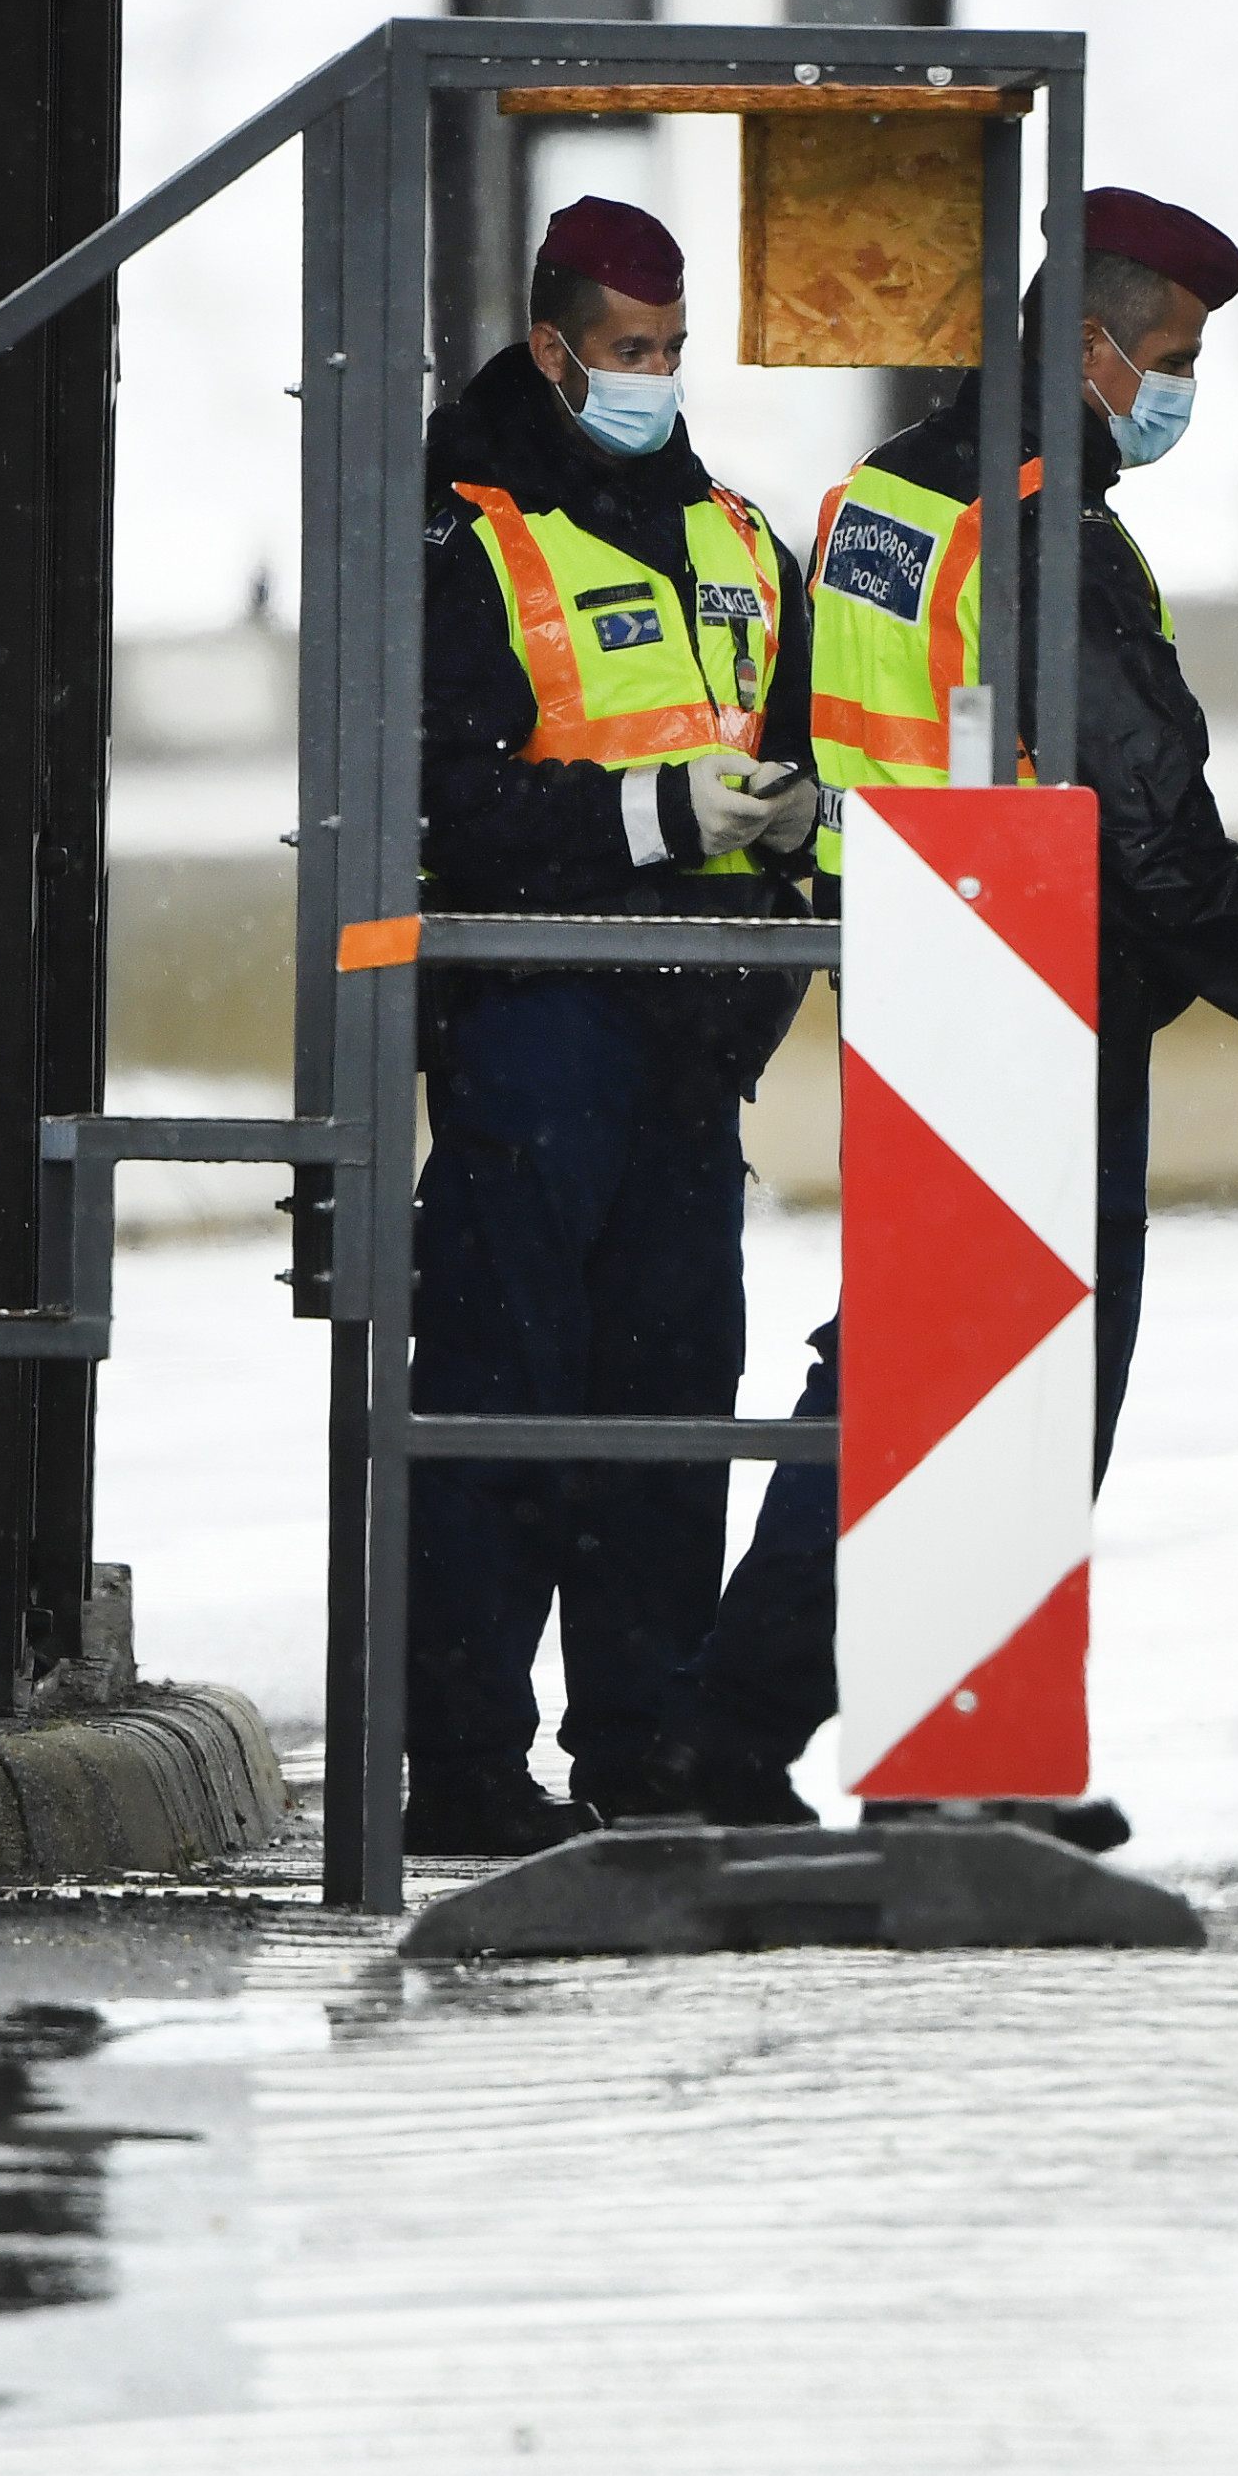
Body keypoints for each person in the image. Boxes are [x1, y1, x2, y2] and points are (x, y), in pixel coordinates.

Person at [624, 187, 1238, 1824]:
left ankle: (815, 1743)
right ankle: (844, 1745)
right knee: (1009, 1389)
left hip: (920, 971)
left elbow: (811, 747)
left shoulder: (879, 500)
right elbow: (1146, 828)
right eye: (1172, 356)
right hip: (1025, 989)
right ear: (1087, 348)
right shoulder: (1038, 521)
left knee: (919, 1375)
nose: (1178, 389)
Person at [402, 196, 825, 1857]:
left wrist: (785, 825)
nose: (656, 376)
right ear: (555, 345)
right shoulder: (460, 524)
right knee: (507, 1400)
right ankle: (461, 1765)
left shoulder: (733, 531)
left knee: (670, 1400)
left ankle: (640, 1744)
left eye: (674, 350)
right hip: (534, 1017)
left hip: (693, 1032)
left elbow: (796, 740)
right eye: (627, 352)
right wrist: (660, 814)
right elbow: (437, 792)